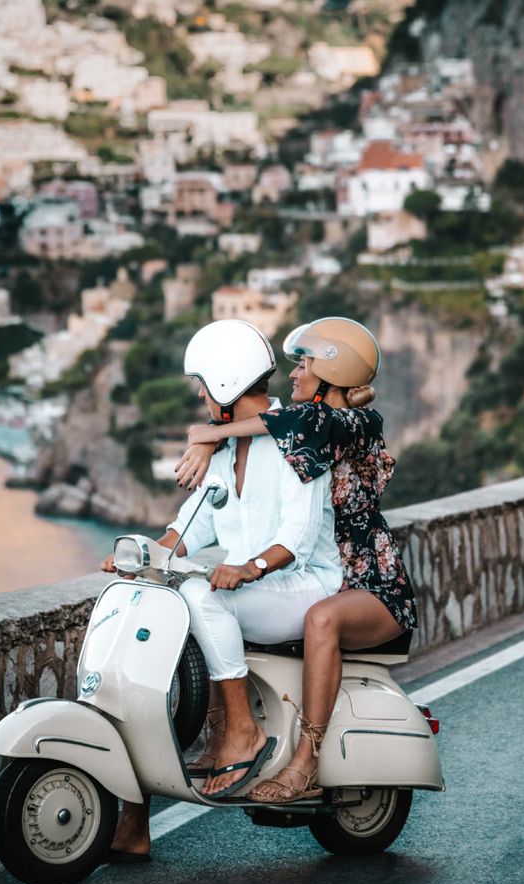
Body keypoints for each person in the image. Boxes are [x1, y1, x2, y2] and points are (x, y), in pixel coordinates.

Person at [100, 319, 342, 858]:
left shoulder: (298, 439)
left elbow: (297, 540)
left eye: (204, 385)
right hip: (255, 589)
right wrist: (141, 558)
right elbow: (189, 529)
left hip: (303, 588)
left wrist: (248, 568)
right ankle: (135, 813)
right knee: (166, 619)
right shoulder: (226, 449)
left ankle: (240, 730)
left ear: (227, 384)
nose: (201, 397)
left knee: (202, 596)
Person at [176, 317, 417, 804]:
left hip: (373, 583)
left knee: (321, 619)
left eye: (304, 363)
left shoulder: (347, 422)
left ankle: (306, 761)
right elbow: (271, 429)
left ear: (334, 372)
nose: (294, 373)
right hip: (342, 575)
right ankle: (226, 731)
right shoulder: (304, 429)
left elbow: (282, 423)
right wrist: (214, 437)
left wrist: (206, 433)